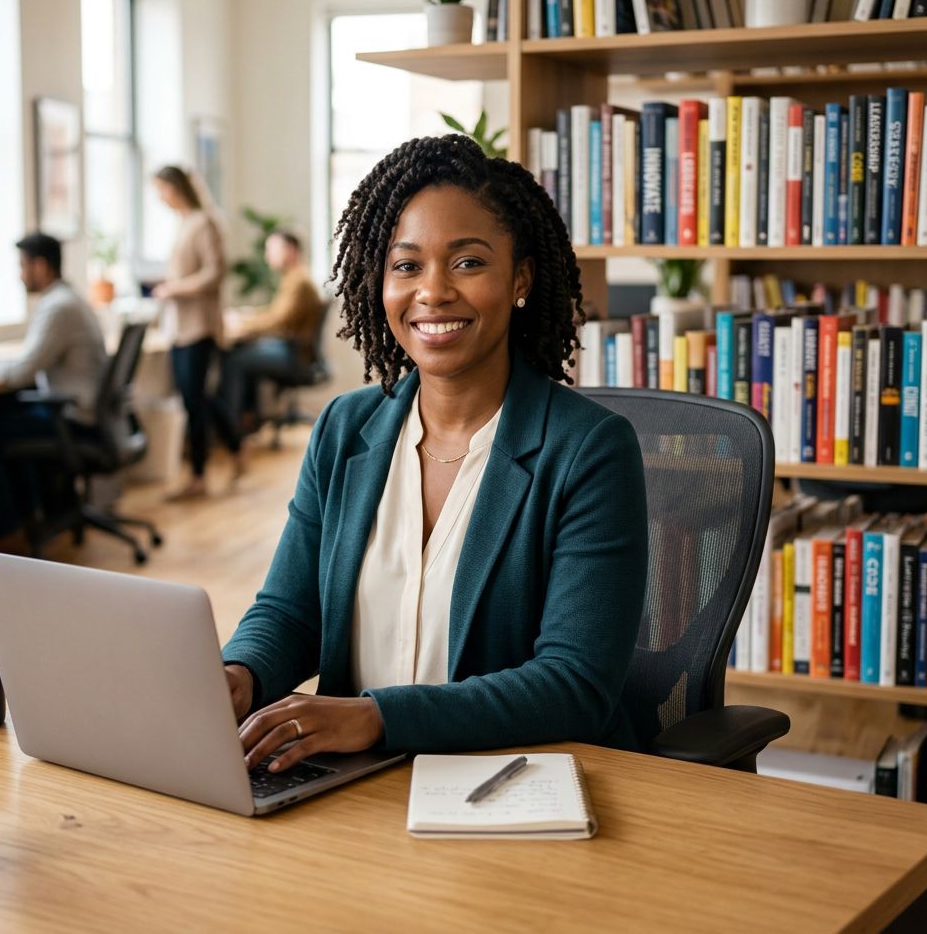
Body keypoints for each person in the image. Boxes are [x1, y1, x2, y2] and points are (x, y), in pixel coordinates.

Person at [222, 134, 649, 775]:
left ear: (521, 279)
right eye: (406, 265)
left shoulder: (588, 450)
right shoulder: (345, 428)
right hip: (351, 789)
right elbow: (290, 610)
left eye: (469, 263)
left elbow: (574, 683)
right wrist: (242, 673)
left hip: (512, 788)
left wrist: (376, 718)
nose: (433, 291)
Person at [0, 232, 106, 538]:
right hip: (84, 410)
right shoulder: (69, 299)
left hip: (73, 418)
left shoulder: (58, 307)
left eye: (22, 266)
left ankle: (9, 529)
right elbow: (28, 365)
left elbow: (20, 374)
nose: (19, 275)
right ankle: (31, 513)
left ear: (40, 267)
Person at [152, 165, 236, 498]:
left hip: (198, 326)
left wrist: (175, 289)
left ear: (175, 189)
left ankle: (198, 476)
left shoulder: (203, 223)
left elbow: (214, 273)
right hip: (178, 327)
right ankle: (234, 446)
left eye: (162, 189)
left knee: (194, 401)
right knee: (198, 397)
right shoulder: (184, 223)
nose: (160, 197)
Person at [214, 230, 324, 448]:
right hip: (291, 349)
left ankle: (233, 430)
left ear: (290, 250)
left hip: (295, 355)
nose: (267, 256)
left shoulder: (299, 281)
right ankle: (247, 418)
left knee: (235, 359)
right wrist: (247, 317)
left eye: (271, 249)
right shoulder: (294, 278)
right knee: (242, 353)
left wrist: (243, 323)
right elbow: (277, 314)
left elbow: (278, 321)